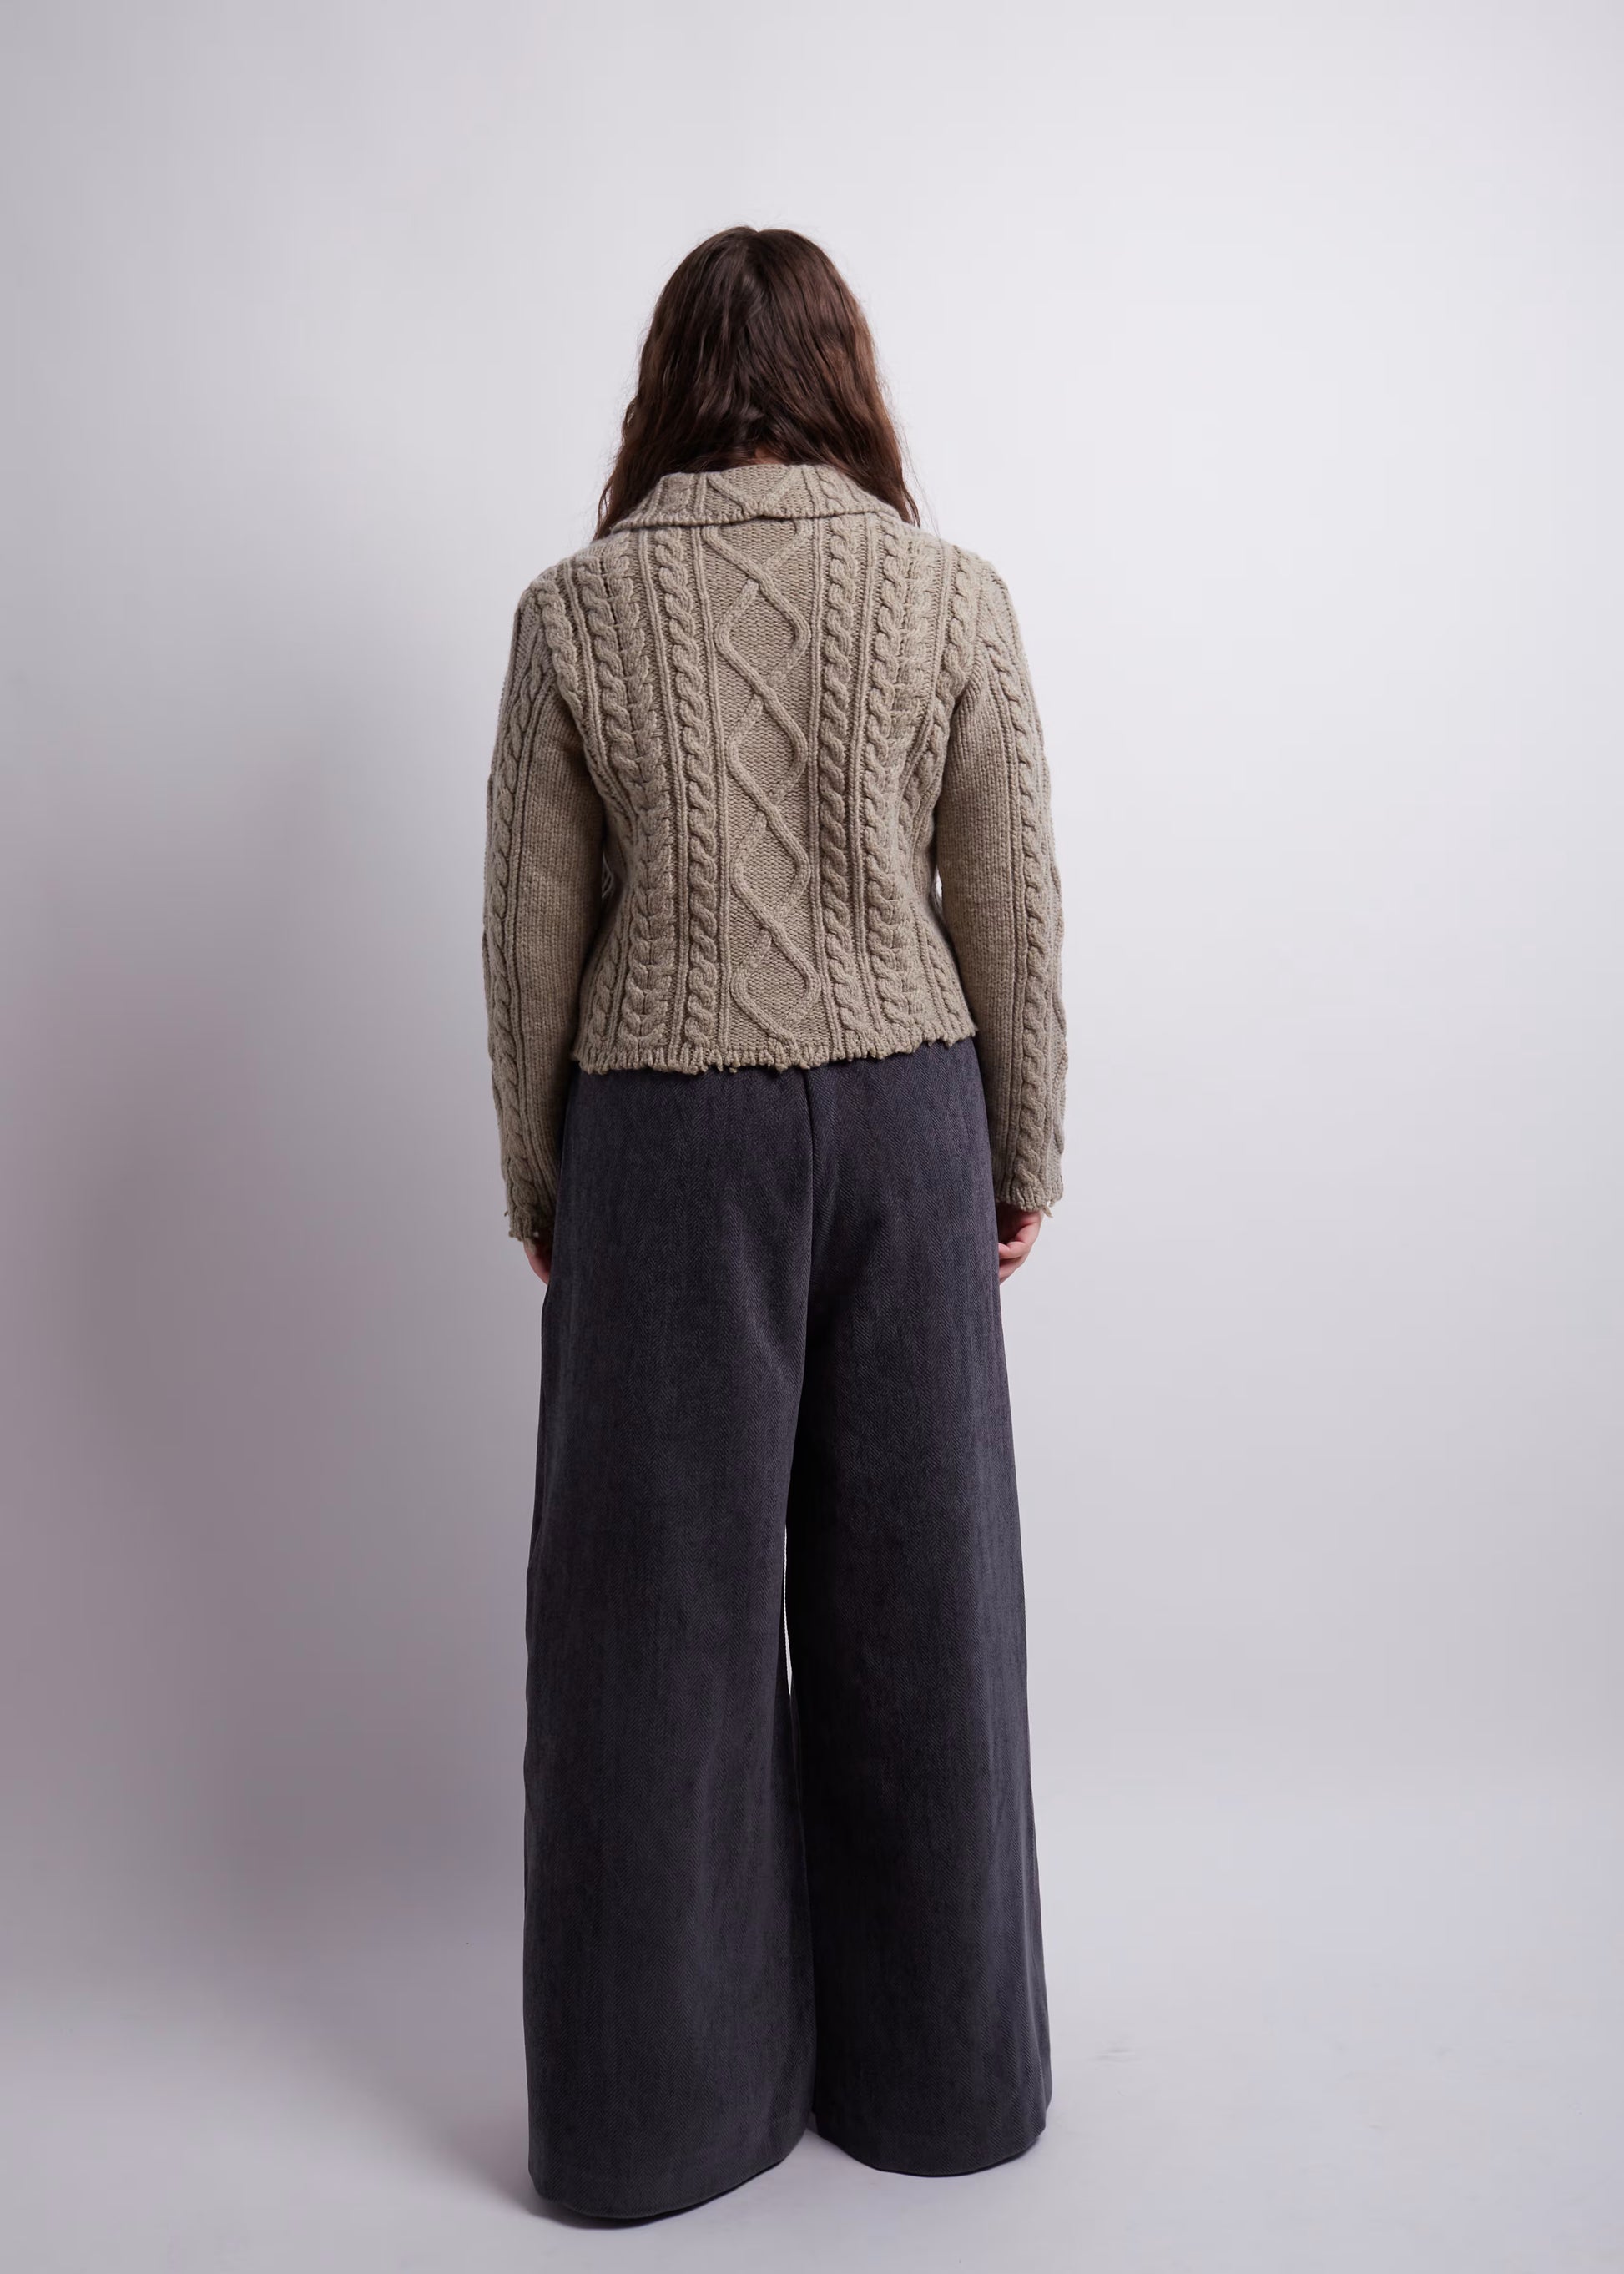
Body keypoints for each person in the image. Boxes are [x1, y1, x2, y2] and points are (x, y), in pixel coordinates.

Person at [482, 224, 1066, 2222]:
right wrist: (1017, 1151)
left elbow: (531, 938)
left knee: (651, 1631)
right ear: (843, 378)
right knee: (929, 1604)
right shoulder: (948, 593)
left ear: (667, 383)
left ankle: (653, 2128)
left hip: (663, 1133)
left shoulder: (575, 610)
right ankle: (944, 2090)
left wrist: (545, 1183)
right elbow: (1008, 895)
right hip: (909, 1117)